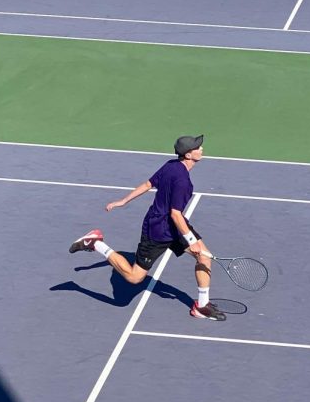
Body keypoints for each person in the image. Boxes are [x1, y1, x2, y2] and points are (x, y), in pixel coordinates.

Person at [69, 135, 226, 321]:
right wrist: (191, 241)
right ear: (189, 154)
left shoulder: (171, 165)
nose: (201, 149)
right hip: (157, 230)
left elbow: (148, 184)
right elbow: (175, 214)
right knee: (134, 278)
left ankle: (201, 306)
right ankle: (95, 243)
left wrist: (123, 201)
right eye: (197, 147)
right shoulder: (183, 181)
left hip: (175, 226)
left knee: (203, 256)